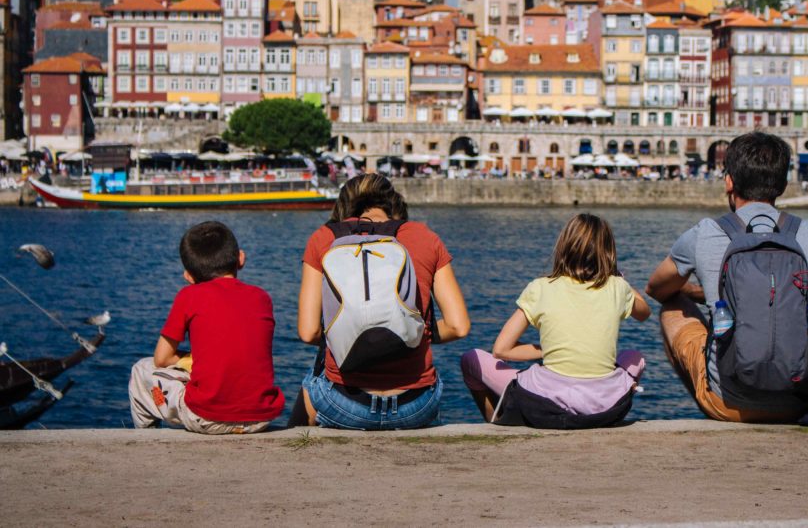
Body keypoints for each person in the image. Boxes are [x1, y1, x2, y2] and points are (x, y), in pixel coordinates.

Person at [645, 132, 808, 423]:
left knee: (671, 305)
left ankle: (709, 392)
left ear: (729, 182)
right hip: (801, 401)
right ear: (783, 185)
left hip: (728, 403)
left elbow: (657, 288)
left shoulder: (705, 233)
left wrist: (700, 292)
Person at [298, 174, 471, 430]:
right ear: (394, 203)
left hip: (345, 404)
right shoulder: (424, 236)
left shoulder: (324, 238)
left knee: (310, 382)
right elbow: (459, 326)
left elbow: (309, 331)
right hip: (415, 407)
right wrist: (407, 332)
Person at [460, 214, 650, 426]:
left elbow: (501, 350)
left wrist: (553, 350)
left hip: (546, 401)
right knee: (635, 357)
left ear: (564, 247)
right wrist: (618, 278)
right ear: (608, 253)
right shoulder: (618, 287)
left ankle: (493, 420)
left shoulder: (540, 287)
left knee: (471, 359)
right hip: (604, 405)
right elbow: (644, 313)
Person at [129, 222, 285, 433]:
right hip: (260, 417)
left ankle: (147, 438)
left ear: (189, 277)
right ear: (241, 258)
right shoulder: (262, 297)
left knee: (141, 370)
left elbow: (162, 359)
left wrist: (191, 358)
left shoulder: (188, 296)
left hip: (206, 417)